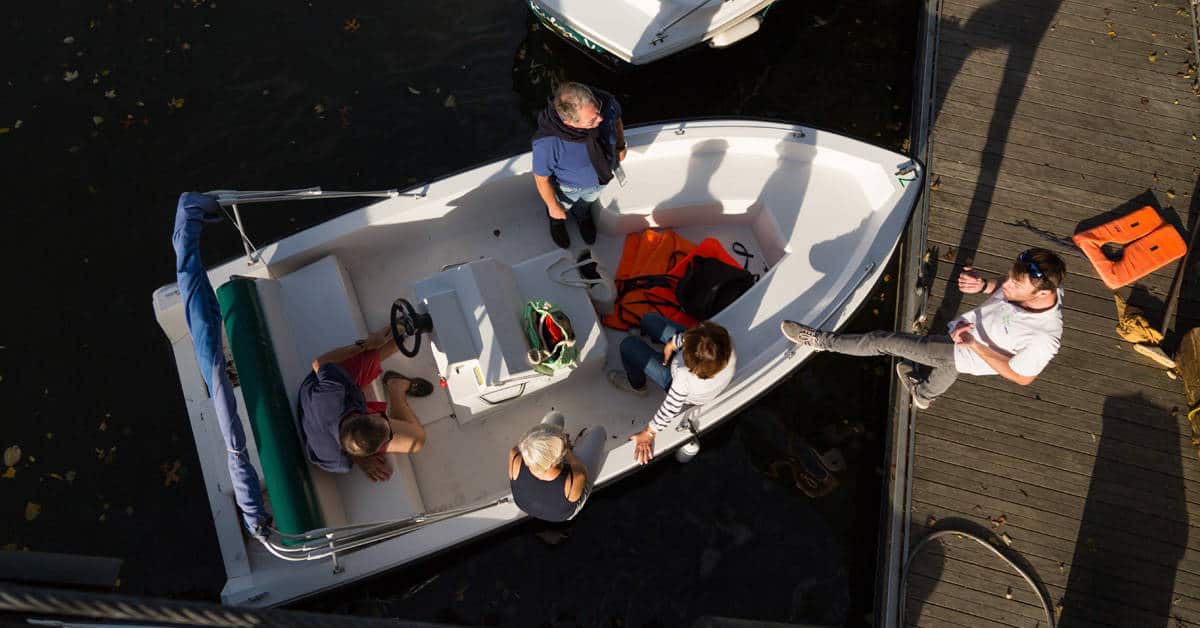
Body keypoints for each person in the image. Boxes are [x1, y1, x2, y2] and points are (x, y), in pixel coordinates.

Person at [780, 248, 1066, 409]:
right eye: (1010, 278)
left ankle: (820, 341)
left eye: (1015, 285)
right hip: (963, 338)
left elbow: (1021, 376)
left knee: (883, 341)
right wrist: (984, 286)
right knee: (948, 371)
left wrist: (974, 345)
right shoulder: (1038, 288)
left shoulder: (1044, 338)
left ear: (1042, 293)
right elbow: (1004, 292)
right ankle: (923, 395)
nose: (1006, 285)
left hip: (960, 350)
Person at [298, 326, 433, 481]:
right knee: (416, 440)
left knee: (385, 346)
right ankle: (396, 386)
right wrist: (360, 458)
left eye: (381, 417)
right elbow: (321, 452)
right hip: (328, 411)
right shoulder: (339, 462)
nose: (382, 415)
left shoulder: (334, 390)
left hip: (320, 388)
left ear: (365, 414)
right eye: (388, 435)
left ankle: (404, 327)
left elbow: (318, 364)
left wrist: (364, 344)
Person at [610, 313, 736, 464]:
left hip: (677, 381)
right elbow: (695, 337)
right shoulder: (724, 343)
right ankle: (653, 337)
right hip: (695, 362)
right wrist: (672, 344)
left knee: (628, 346)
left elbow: (670, 407)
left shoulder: (684, 377)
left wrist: (649, 434)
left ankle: (637, 385)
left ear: (688, 359)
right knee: (648, 320)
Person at [532, 82, 627, 249]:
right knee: (563, 206)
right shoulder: (547, 143)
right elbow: (541, 179)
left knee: (586, 204)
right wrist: (553, 207)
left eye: (597, 110)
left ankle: (582, 216)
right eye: (592, 121)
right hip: (568, 188)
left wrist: (620, 145)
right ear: (570, 123)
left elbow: (616, 119)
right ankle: (556, 222)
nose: (601, 118)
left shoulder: (607, 104)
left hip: (600, 180)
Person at [508, 411, 608, 521]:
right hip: (563, 512)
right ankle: (581, 440)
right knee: (599, 431)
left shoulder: (515, 455)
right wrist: (568, 452)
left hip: (525, 505)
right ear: (561, 454)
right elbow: (578, 467)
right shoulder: (576, 478)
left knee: (556, 417)